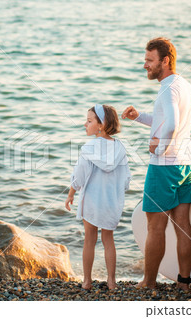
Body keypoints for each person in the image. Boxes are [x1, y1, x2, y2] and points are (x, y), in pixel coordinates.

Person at [122, 37, 191, 290]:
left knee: (155, 226)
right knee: (183, 225)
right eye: (145, 60)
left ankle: (149, 282)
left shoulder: (167, 87)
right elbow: (166, 119)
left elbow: (172, 125)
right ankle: (184, 281)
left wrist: (159, 146)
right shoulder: (183, 85)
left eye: (149, 60)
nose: (145, 65)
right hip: (186, 163)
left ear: (165, 60)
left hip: (165, 166)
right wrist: (139, 117)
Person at [65, 104, 131, 290]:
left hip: (93, 200)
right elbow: (126, 178)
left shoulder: (89, 147)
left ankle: (87, 281)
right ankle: (111, 281)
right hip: (111, 201)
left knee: (89, 240)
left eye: (89, 121)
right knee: (108, 239)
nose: (84, 124)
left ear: (102, 125)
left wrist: (71, 193)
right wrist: (117, 191)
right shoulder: (120, 147)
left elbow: (79, 175)